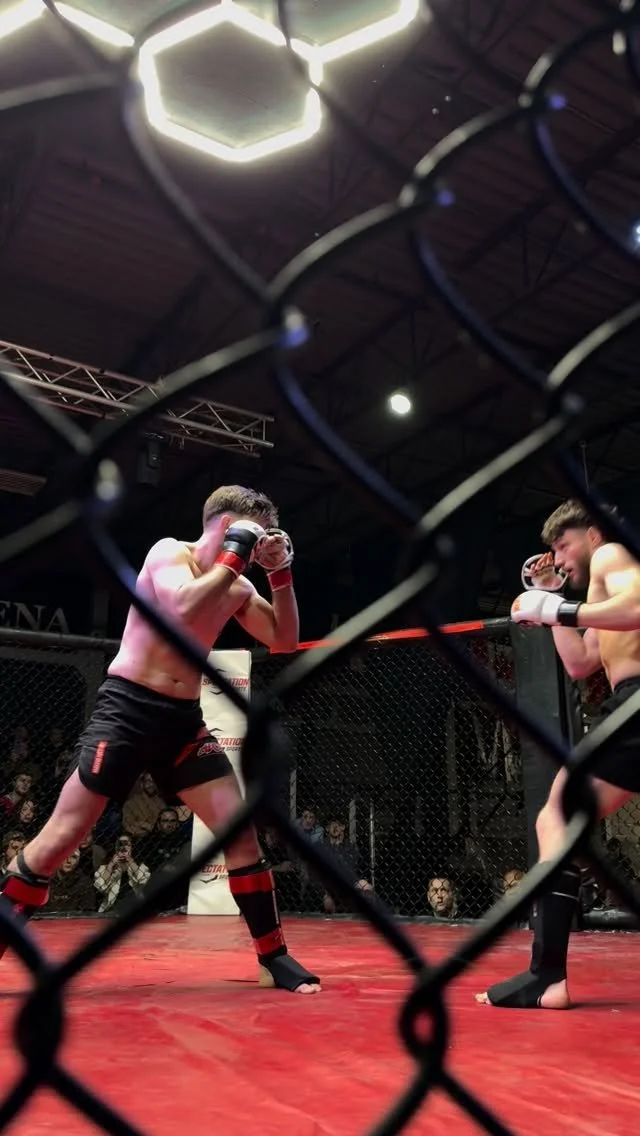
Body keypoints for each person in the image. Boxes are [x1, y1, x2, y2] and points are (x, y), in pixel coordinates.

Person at [0, 485, 320, 994]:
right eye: (257, 535)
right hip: (127, 710)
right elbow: (183, 608)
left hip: (182, 722)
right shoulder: (169, 553)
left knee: (240, 833)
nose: (261, 546)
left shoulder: (237, 586)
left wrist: (281, 574)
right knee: (60, 839)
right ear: (228, 526)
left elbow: (284, 640)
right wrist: (238, 551)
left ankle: (274, 957)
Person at [476, 498, 640, 1009]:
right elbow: (581, 663)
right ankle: (547, 975)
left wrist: (560, 608)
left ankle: (547, 975)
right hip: (627, 701)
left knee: (557, 815)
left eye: (563, 546)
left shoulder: (612, 555)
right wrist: (551, 603)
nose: (560, 559)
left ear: (592, 534)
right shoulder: (598, 594)